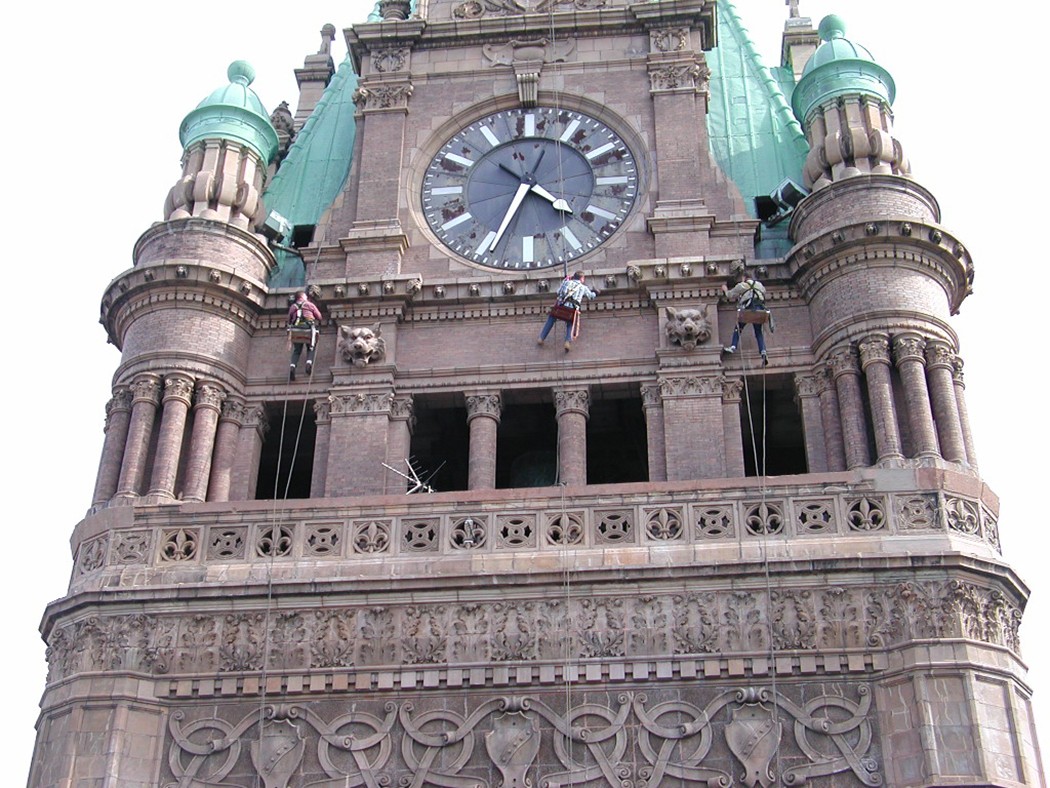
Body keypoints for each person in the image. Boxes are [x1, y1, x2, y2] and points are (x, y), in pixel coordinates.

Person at [538, 271, 598, 352]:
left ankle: (541, 338)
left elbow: (558, 292)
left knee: (551, 318)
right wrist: (596, 292)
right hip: (572, 310)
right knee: (571, 323)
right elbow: (591, 296)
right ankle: (567, 341)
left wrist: (565, 280)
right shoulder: (583, 287)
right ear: (582, 278)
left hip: (560, 307)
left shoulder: (566, 282)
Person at [722, 270, 769, 365]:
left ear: (744, 278)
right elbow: (764, 292)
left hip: (748, 309)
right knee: (758, 332)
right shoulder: (760, 285)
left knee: (738, 328)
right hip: (760, 310)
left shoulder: (742, 285)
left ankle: (733, 346)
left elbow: (729, 295)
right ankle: (763, 351)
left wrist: (725, 289)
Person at [288, 290, 322, 380]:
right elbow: (319, 316)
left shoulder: (293, 306)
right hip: (308, 327)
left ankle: (292, 366)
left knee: (297, 350)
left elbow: (289, 319)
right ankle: (309, 363)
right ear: (302, 296)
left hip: (296, 328)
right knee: (311, 347)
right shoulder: (309, 305)